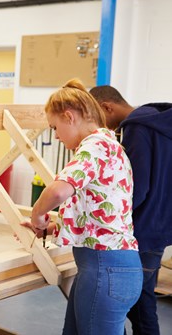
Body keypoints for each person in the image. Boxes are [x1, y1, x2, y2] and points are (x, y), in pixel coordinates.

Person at [28, 79, 142, 334]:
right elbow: (96, 218)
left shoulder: (96, 146)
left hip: (106, 269)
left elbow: (58, 190)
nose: (55, 136)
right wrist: (52, 227)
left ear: (69, 117)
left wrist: (38, 214)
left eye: (54, 128)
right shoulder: (109, 145)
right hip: (105, 268)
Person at [90, 85, 172, 335]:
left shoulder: (137, 127)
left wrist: (109, 220)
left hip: (144, 228)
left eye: (97, 117)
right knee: (142, 301)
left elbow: (137, 187)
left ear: (107, 107)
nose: (99, 127)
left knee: (136, 305)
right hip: (161, 224)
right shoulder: (159, 120)